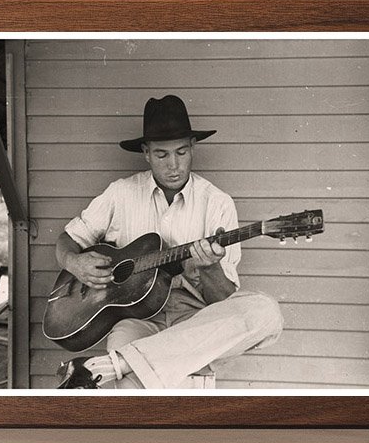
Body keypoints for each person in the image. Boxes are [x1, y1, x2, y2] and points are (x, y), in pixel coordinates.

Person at [54, 94, 283, 389]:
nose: (173, 165)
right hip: (135, 320)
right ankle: (131, 364)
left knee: (265, 313)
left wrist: (210, 269)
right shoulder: (120, 194)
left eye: (182, 152)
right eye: (162, 155)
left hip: (196, 320)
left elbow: (224, 303)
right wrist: (75, 262)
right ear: (146, 153)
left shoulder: (217, 203)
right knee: (140, 394)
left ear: (193, 148)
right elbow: (66, 241)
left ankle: (113, 365)